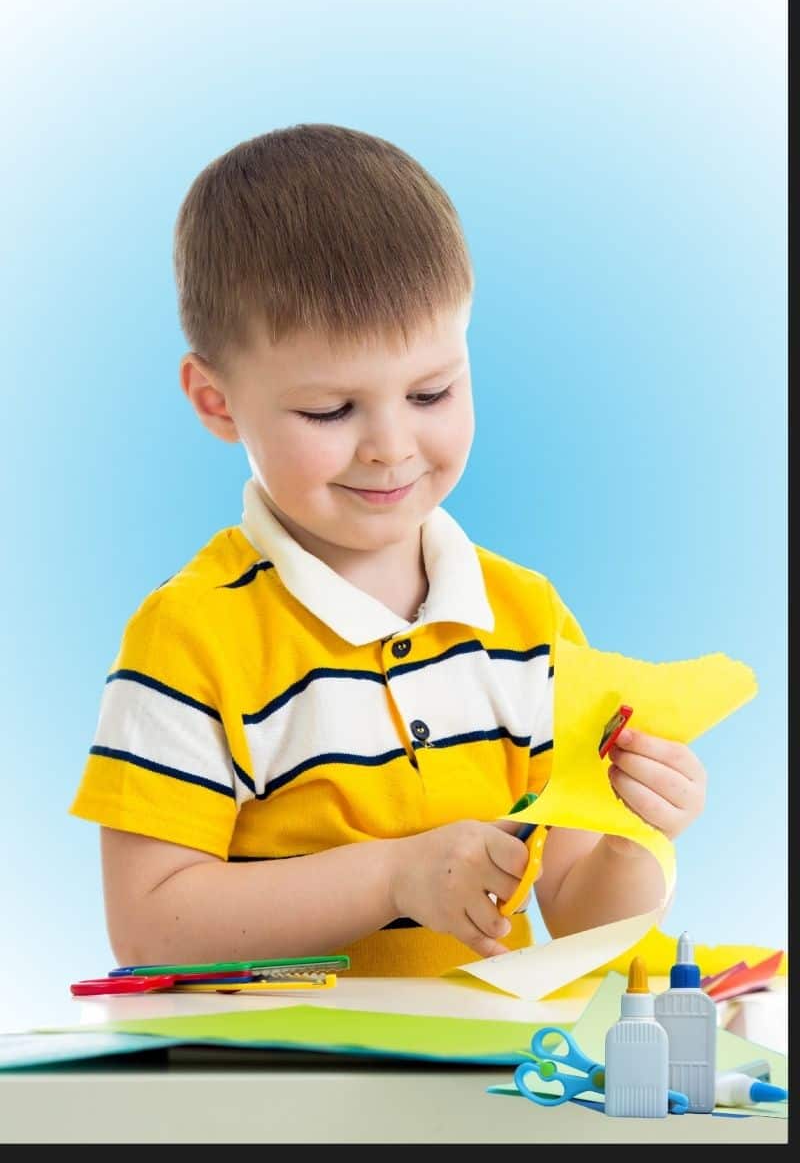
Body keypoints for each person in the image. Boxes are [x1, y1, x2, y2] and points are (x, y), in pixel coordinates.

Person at [69, 124, 706, 976]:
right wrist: (395, 877)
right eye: (331, 411)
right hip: (271, 1094)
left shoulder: (527, 621)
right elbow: (150, 927)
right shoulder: (189, 637)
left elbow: (580, 913)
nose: (391, 446)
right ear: (217, 403)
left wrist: (635, 840)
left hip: (474, 1093)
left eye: (431, 391)